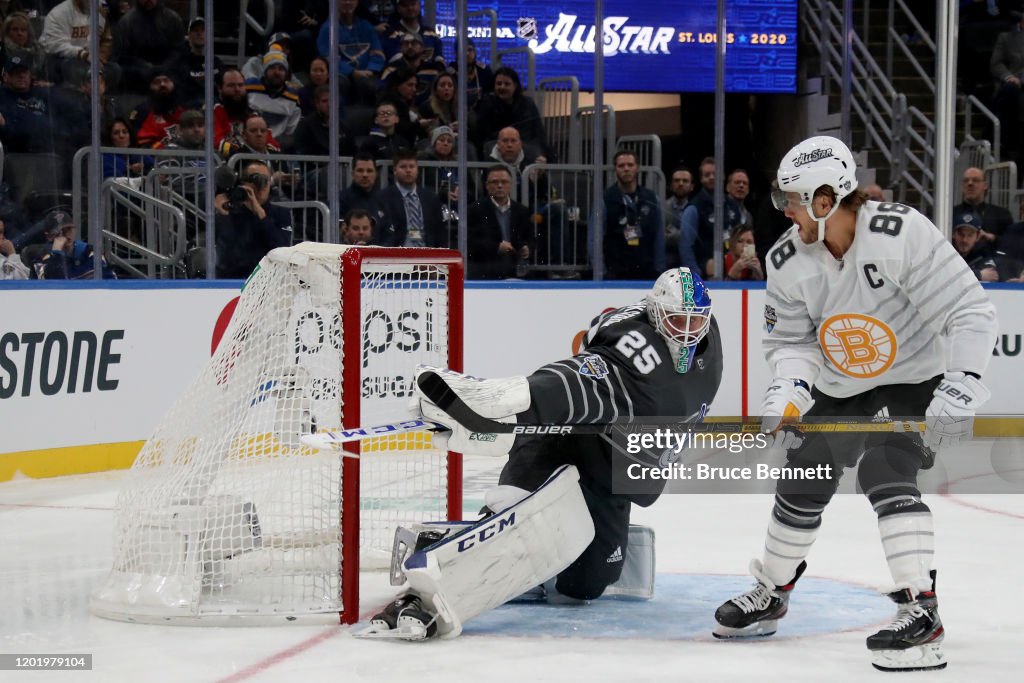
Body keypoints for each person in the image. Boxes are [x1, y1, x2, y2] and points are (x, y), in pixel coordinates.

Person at [712, 136, 998, 672]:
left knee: (885, 467)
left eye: (792, 200)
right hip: (843, 386)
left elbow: (968, 311)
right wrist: (789, 391)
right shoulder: (787, 259)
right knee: (804, 474)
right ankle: (773, 591)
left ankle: (921, 613)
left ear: (826, 200)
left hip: (913, 381)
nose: (785, 211)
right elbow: (794, 344)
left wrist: (961, 382)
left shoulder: (901, 233)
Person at [363, 266, 723, 639]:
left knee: (582, 588)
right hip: (560, 444)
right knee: (512, 525)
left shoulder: (709, 349)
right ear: (655, 312)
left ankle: (522, 554)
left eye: (693, 320)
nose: (685, 329)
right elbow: (574, 378)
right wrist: (488, 409)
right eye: (676, 319)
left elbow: (600, 330)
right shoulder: (633, 347)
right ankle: (434, 563)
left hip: (608, 472)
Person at [214, 159, 293, 278]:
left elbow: (281, 249)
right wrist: (223, 214)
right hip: (233, 282)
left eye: (265, 180)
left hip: (269, 280)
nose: (261, 185)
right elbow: (227, 257)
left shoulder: (281, 213)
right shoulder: (230, 212)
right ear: (244, 183)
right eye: (255, 179)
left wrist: (261, 214)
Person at [603, 150, 664, 280]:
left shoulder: (651, 198)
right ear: (615, 169)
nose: (626, 169)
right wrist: (601, 271)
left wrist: (659, 270)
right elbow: (595, 238)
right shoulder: (605, 199)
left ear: (637, 168)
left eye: (630, 165)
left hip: (647, 271)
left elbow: (659, 236)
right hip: (615, 272)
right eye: (621, 166)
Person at [465, 165, 533, 280]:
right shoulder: (474, 209)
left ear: (511, 185)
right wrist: (496, 247)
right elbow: (469, 241)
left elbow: (531, 237)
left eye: (504, 182)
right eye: (494, 182)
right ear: (487, 186)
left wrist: (527, 248)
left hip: (514, 269)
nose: (500, 186)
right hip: (483, 270)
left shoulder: (521, 210)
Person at [317, 0, 384, 106]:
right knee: (339, 83)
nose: (347, 2)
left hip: (367, 73)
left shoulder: (366, 26)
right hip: (342, 75)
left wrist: (372, 69)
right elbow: (328, 57)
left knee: (371, 84)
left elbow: (378, 53)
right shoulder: (328, 29)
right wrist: (351, 72)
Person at [374, 148, 444, 247]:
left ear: (417, 169)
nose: (408, 170)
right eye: (403, 167)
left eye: (412, 166)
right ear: (394, 170)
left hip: (427, 254)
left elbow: (439, 231)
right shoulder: (383, 198)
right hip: (397, 253)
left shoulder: (431, 198)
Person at [111, 0, 185, 94]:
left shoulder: (172, 19)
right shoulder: (126, 23)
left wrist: (165, 67)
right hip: (138, 80)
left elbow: (179, 50)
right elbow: (121, 57)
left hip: (170, 76)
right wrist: (145, 67)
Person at [28, 210, 115, 279]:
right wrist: (57, 254)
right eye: (59, 232)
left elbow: (110, 281)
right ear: (49, 236)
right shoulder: (41, 259)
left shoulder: (90, 253)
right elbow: (51, 286)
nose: (66, 234)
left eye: (68, 229)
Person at [244, 49, 302, 149]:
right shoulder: (250, 86)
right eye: (272, 68)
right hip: (248, 142)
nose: (277, 72)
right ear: (264, 70)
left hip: (277, 146)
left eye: (281, 69)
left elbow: (290, 130)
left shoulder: (293, 97)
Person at [167, 17, 224, 109]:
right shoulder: (179, 63)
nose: (199, 33)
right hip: (189, 112)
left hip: (214, 111)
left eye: (203, 30)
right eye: (195, 30)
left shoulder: (217, 63)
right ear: (189, 35)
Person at [952, 209, 1022, 281]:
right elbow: (948, 275)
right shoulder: (947, 253)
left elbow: (996, 273)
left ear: (978, 236)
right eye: (961, 235)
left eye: (970, 235)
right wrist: (979, 275)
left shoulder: (985, 256)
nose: (965, 240)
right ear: (953, 234)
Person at [953, 166, 1013, 243]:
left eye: (975, 180)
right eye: (966, 180)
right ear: (962, 186)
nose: (970, 183)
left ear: (985, 185)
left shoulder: (1002, 214)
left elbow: (1011, 243)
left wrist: (993, 238)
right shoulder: (951, 214)